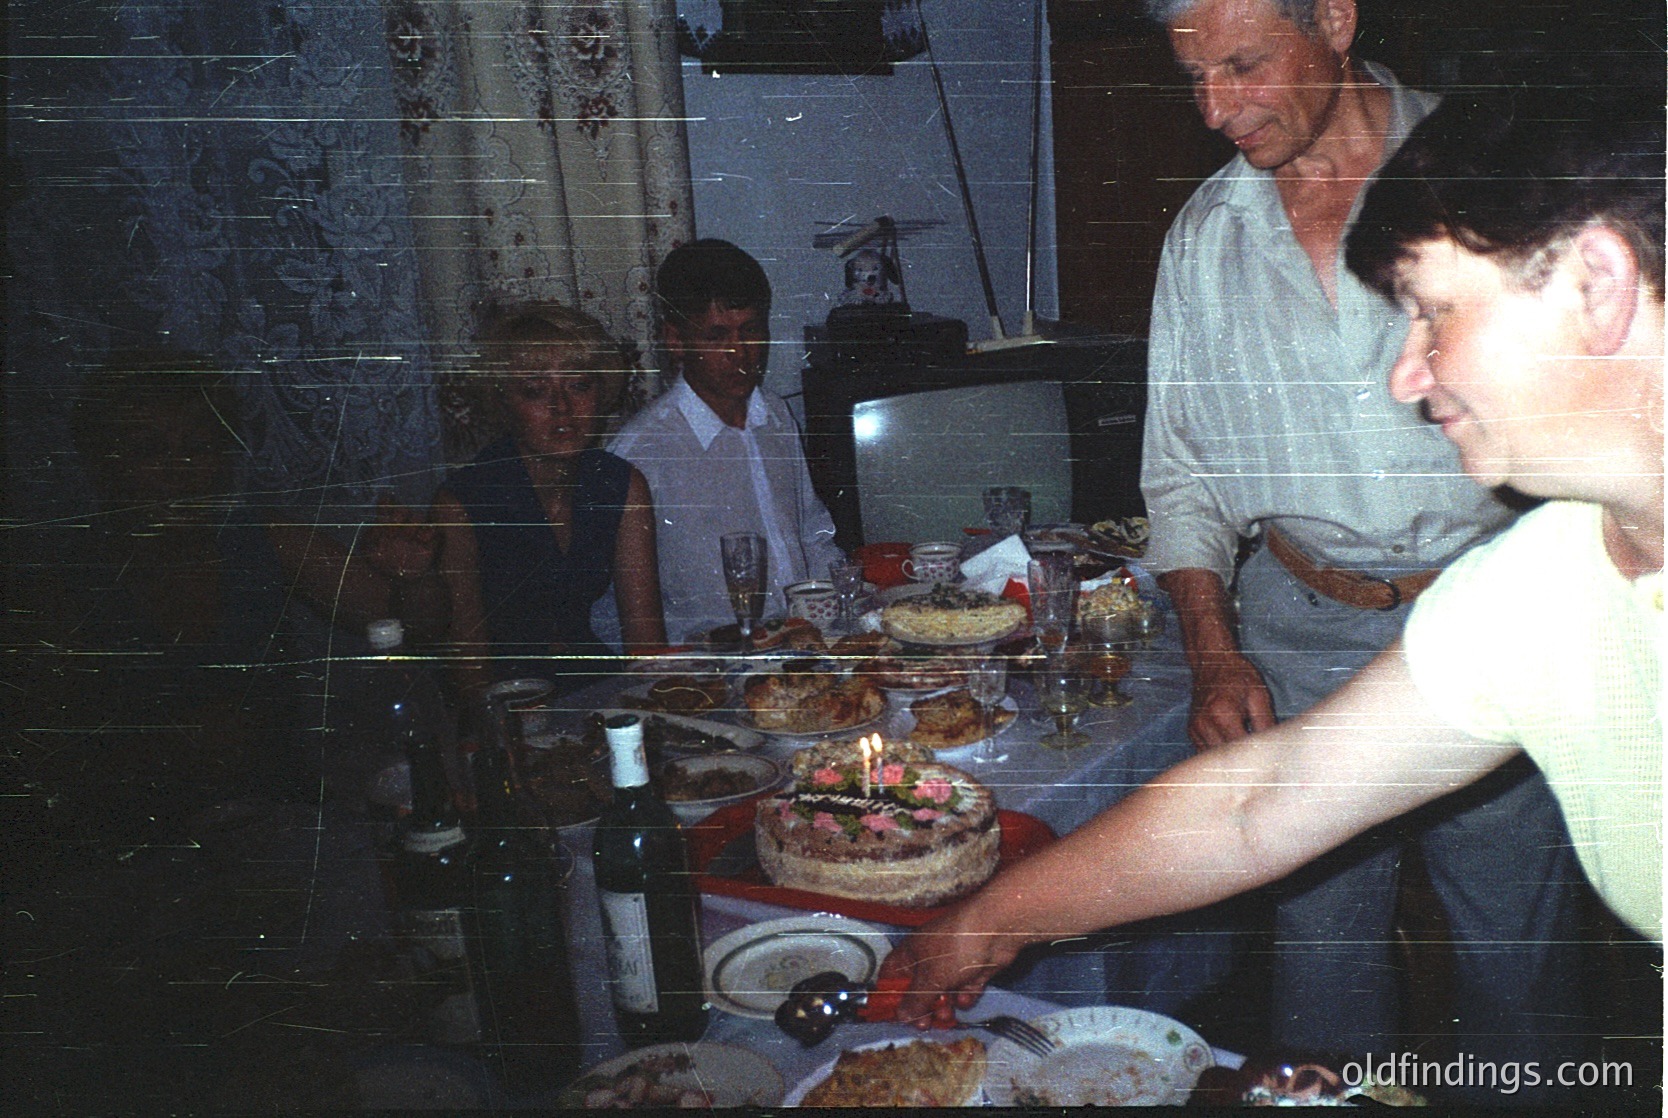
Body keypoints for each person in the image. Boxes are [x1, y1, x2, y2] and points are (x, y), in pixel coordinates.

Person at [878, 85, 1662, 1095]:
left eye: (1434, 313)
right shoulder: (1540, 583)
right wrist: (980, 926)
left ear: (1598, 284)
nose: (1405, 377)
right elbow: (1263, 802)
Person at [1126, 0, 1581, 1064]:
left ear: (1334, 17)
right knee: (1321, 973)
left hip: (1491, 620)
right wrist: (1213, 648)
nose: (1213, 110)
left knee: (1516, 969)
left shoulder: (1491, 171)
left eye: (1243, 65)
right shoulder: (1204, 238)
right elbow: (1183, 472)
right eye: (1194, 76)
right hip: (1299, 634)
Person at [605, 238, 843, 642]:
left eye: (750, 330)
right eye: (717, 336)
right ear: (676, 341)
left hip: (801, 647)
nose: (740, 352)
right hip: (708, 670)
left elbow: (813, 534)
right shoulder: (640, 452)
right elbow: (614, 613)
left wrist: (848, 597)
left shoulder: (776, 416)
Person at [431, 302, 666, 700]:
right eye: (535, 391)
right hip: (505, 703)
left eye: (579, 385)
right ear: (503, 401)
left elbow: (646, 647)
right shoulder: (462, 503)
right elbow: (469, 674)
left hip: (592, 686)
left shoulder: (621, 484)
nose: (563, 408)